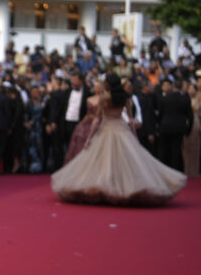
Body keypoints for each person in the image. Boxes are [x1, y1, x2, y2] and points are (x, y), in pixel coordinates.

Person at [51, 74, 186, 206]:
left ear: (108, 84)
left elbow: (97, 119)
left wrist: (89, 138)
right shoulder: (125, 98)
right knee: (127, 162)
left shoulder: (104, 98)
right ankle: (123, 187)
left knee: (104, 161)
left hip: (106, 130)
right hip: (122, 129)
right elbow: (131, 119)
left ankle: (107, 187)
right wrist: (134, 135)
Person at [63, 77, 103, 164]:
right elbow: (87, 114)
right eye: (95, 86)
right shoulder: (89, 98)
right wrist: (81, 123)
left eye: (98, 86)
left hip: (100, 123)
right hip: (88, 123)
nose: (96, 88)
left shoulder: (104, 99)